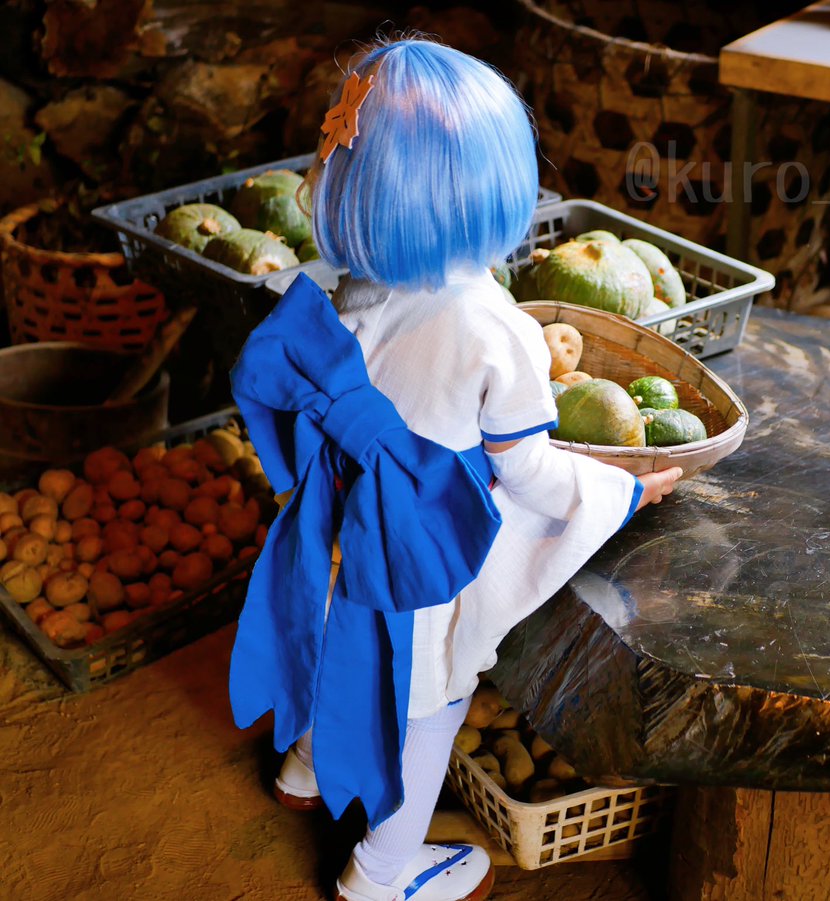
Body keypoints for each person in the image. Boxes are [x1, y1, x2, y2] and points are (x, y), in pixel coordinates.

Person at [226, 38, 683, 901]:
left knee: (332, 636)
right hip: (413, 554)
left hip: (333, 524)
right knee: (425, 704)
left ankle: (305, 769)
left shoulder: (352, 281)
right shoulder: (494, 326)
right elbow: (533, 474)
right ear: (490, 189)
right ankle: (381, 873)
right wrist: (622, 489)